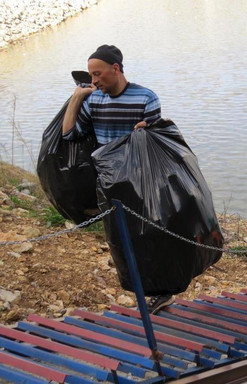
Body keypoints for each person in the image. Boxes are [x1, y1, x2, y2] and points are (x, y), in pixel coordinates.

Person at [62, 44, 171, 315]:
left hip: (140, 180)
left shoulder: (146, 98)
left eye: (97, 74)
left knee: (149, 236)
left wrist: (147, 132)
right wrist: (76, 98)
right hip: (108, 182)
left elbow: (157, 143)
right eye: (91, 76)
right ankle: (142, 290)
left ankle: (162, 290)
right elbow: (68, 136)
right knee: (121, 239)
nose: (94, 80)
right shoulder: (94, 100)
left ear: (116, 69)